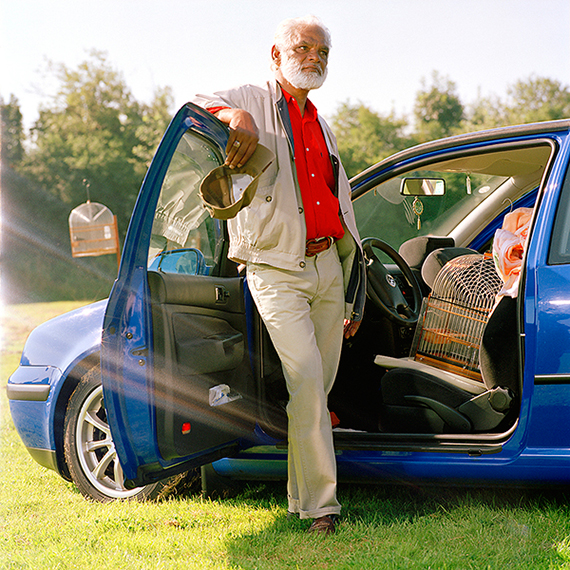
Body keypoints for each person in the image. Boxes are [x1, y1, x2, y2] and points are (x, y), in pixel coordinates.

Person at [193, 14, 366, 535]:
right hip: (275, 269)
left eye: (323, 52)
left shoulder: (320, 121)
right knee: (307, 380)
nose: (314, 57)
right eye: (303, 47)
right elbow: (195, 103)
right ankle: (322, 509)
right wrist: (234, 116)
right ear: (277, 54)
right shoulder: (252, 97)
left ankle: (299, 496)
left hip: (327, 267)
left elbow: (335, 202)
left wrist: (351, 282)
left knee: (317, 388)